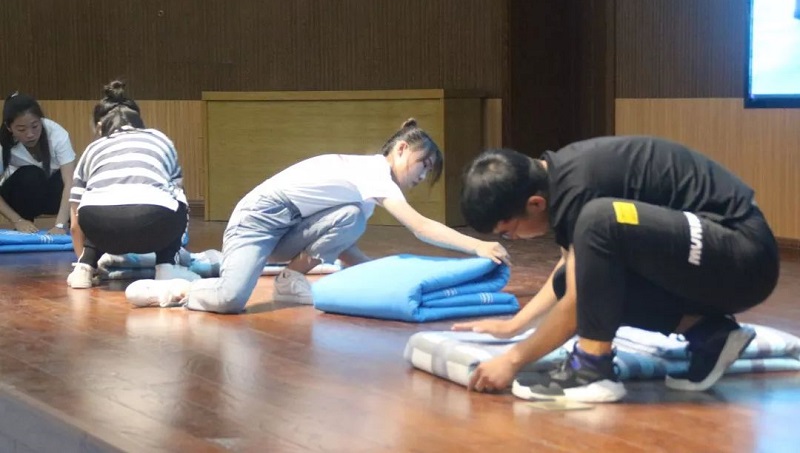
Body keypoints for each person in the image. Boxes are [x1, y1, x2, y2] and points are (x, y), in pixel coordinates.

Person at [454, 136, 779, 403]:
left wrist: (513, 360)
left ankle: (592, 369)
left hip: (745, 255)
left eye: (508, 232)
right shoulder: (560, 182)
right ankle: (709, 334)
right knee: (571, 277)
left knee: (600, 221)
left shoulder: (580, 187)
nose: (512, 240)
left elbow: (578, 304)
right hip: (720, 262)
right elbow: (572, 275)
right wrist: (514, 326)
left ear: (535, 204)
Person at [125, 119, 510, 313]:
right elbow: (420, 226)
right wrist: (478, 246)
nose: (423, 176)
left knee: (351, 217)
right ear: (402, 150)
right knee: (230, 300)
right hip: (257, 220)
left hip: (287, 228)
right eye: (424, 165)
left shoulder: (362, 197)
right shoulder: (374, 173)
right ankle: (176, 288)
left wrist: (380, 277)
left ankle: (220, 266)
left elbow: (342, 245)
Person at [66, 81, 197, 289]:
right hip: (154, 222)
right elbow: (177, 191)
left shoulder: (92, 148)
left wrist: (82, 258)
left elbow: (75, 223)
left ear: (100, 127)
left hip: (100, 228)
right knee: (178, 195)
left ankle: (84, 269)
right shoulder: (160, 139)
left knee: (94, 202)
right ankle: (166, 266)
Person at [0, 92, 76, 234]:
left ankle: (72, 223)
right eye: (21, 129)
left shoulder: (57, 134)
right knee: (30, 174)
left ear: (41, 120)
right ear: (9, 128)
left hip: (54, 195)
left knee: (72, 180)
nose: (30, 134)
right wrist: (17, 220)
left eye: (35, 126)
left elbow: (70, 182)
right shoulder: (2, 144)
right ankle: (25, 224)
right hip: (24, 197)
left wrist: (60, 224)